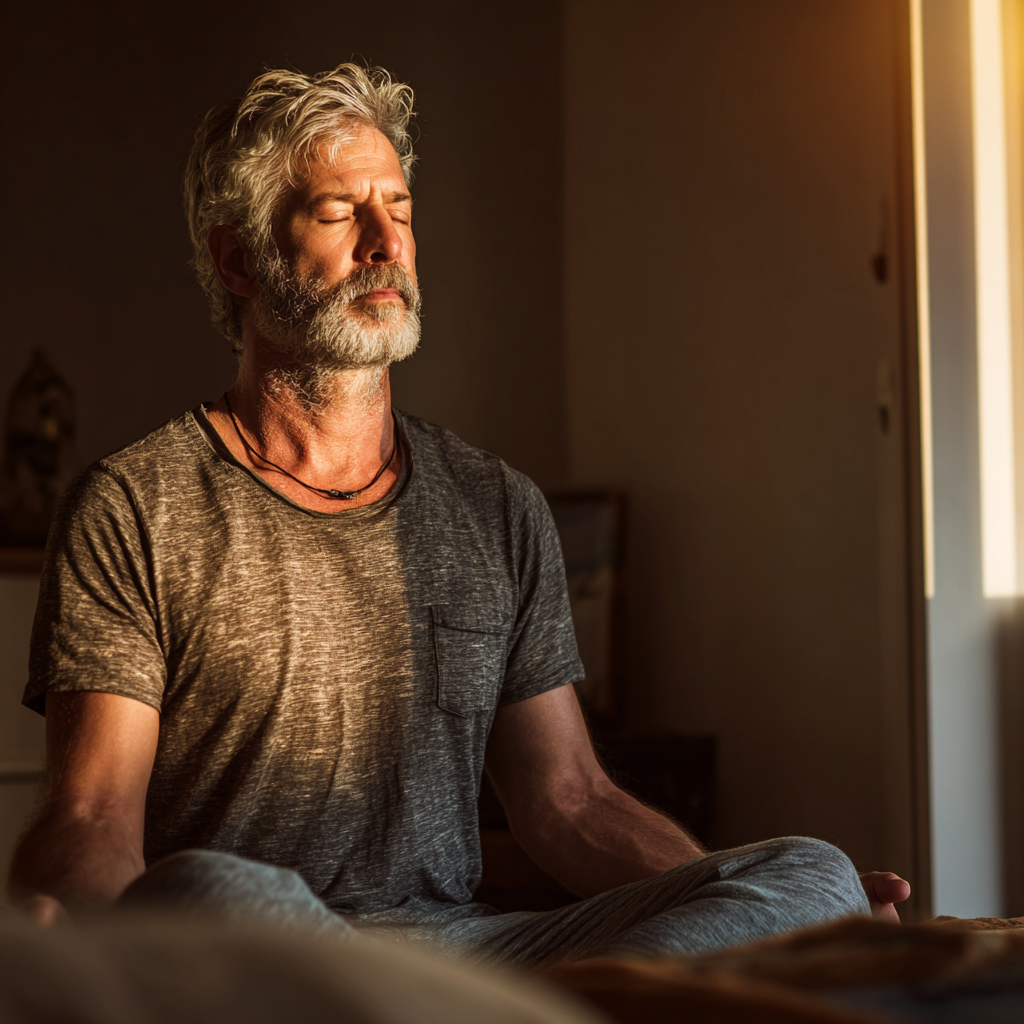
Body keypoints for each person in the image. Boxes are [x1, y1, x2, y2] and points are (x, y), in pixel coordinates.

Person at [7, 63, 909, 968]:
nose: (384, 244)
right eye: (337, 213)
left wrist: (727, 894)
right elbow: (92, 815)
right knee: (207, 888)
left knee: (810, 872)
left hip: (468, 954)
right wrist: (65, 923)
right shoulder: (136, 504)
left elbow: (569, 802)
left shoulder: (496, 504)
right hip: (270, 955)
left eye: (398, 210)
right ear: (238, 259)